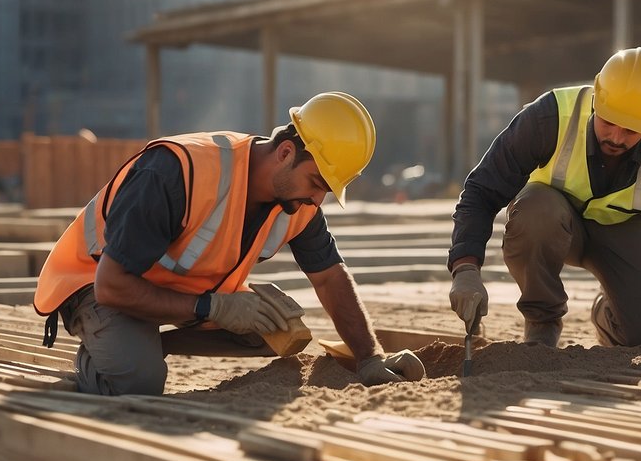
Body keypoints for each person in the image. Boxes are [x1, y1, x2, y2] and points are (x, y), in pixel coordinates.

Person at [33, 92, 425, 395]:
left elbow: (330, 278)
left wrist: (370, 358)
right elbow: (112, 285)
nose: (317, 200)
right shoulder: (177, 170)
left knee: (278, 326)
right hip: (96, 287)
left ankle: (151, 343)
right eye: (317, 184)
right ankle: (106, 358)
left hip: (175, 292)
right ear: (286, 152)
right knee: (138, 381)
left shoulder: (298, 201)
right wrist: (214, 306)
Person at [447, 46, 641, 365]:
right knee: (535, 212)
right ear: (596, 101)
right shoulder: (550, 117)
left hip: (624, 231)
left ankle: (608, 312)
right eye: (609, 122)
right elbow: (481, 191)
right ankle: (542, 321)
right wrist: (466, 268)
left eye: (631, 130)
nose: (616, 136)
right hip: (550, 222)